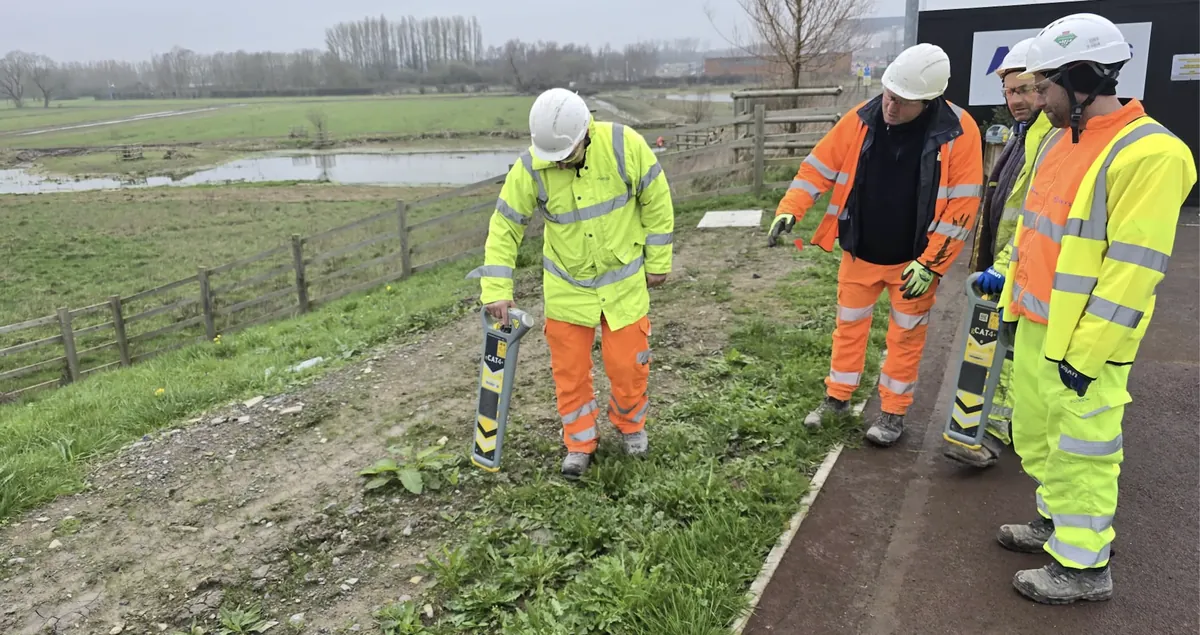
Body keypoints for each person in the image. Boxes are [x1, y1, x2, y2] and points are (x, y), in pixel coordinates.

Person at [994, 13, 1196, 604]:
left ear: (1083, 79)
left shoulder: (1152, 153)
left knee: (1084, 448)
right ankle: (1057, 525)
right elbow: (1036, 230)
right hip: (1037, 323)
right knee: (1040, 437)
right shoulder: (1059, 138)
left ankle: (1083, 568)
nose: (1038, 96)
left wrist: (1088, 353)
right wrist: (1006, 287)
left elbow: (1133, 272)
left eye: (1047, 83)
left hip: (1087, 340)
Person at [767, 43, 983, 447]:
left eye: (901, 102)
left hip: (914, 262)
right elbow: (819, 164)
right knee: (847, 329)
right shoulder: (862, 118)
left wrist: (931, 263)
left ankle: (892, 413)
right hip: (861, 249)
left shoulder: (959, 130)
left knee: (906, 337)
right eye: (888, 96)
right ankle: (837, 399)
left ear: (928, 100)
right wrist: (791, 209)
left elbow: (963, 204)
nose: (890, 107)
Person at [467, 87, 674, 479]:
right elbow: (505, 225)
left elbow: (656, 199)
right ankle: (580, 443)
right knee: (570, 373)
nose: (559, 165)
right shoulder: (531, 166)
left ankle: (631, 428)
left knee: (628, 366)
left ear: (585, 134)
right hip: (567, 289)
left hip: (623, 286)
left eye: (566, 157)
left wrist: (659, 260)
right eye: (553, 159)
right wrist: (496, 289)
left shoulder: (624, 145)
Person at [943, 37, 1052, 469]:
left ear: (1046, 85)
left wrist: (1008, 265)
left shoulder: (1052, 141)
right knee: (1000, 350)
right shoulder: (1021, 135)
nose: (1015, 99)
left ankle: (992, 432)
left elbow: (1037, 214)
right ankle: (993, 426)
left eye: (1024, 89)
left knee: (1010, 355)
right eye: (1009, 91)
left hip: (1025, 269)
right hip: (1004, 265)